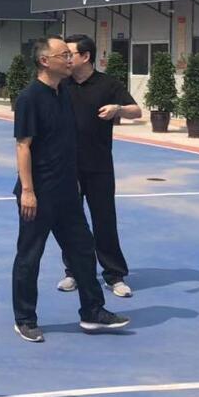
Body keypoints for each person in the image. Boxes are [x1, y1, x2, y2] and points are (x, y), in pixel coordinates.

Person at [12, 36, 131, 343]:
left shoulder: (63, 92)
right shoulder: (29, 98)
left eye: (70, 54)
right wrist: (28, 190)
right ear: (44, 61)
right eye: (63, 55)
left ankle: (92, 311)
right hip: (39, 193)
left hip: (67, 191)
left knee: (82, 250)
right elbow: (23, 146)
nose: (69, 60)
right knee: (30, 256)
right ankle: (25, 319)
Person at [56, 34, 141, 298]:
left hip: (99, 165)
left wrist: (118, 109)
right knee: (71, 222)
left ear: (85, 56)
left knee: (104, 220)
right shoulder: (61, 84)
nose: (66, 59)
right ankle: (74, 272)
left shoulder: (108, 84)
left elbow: (136, 110)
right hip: (67, 167)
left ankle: (114, 275)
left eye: (70, 54)